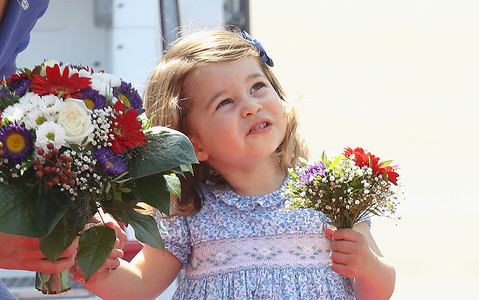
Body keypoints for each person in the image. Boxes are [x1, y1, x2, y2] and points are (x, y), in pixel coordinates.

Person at [74, 29, 396, 299]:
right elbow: (142, 284)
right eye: (225, 102)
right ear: (193, 143)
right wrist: (95, 271)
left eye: (257, 87)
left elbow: (378, 289)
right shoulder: (187, 208)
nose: (251, 106)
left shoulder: (330, 192)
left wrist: (367, 265)